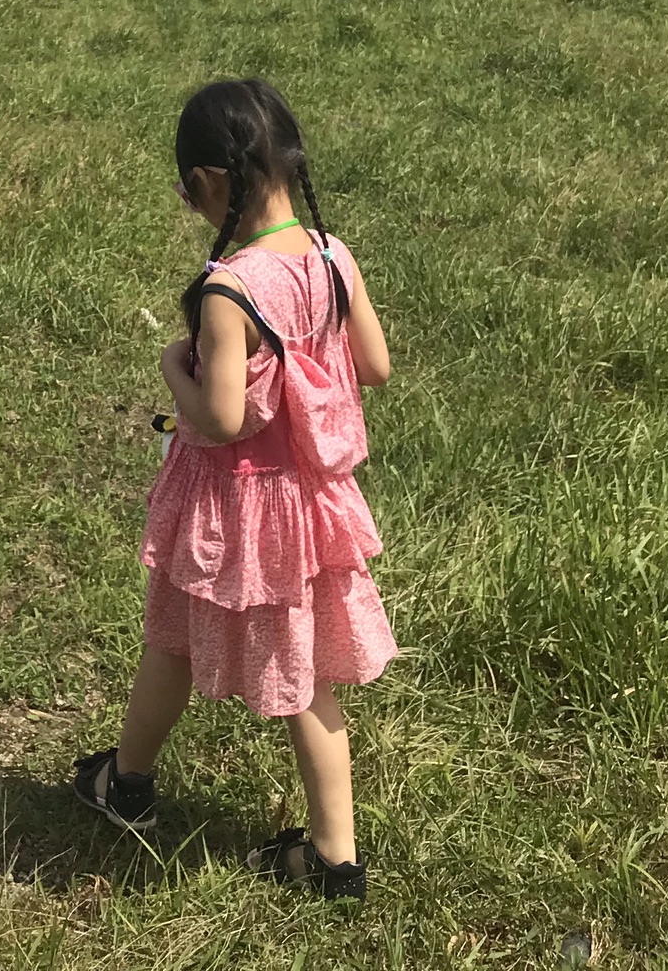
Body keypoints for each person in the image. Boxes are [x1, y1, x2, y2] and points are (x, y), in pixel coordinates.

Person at [73, 77, 396, 902]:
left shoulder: (230, 291)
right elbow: (376, 367)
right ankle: (332, 852)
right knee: (307, 679)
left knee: (171, 643)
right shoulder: (332, 257)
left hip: (231, 512)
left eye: (187, 190)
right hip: (310, 506)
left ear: (213, 183)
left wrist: (171, 372)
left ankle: (129, 783)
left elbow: (218, 420)